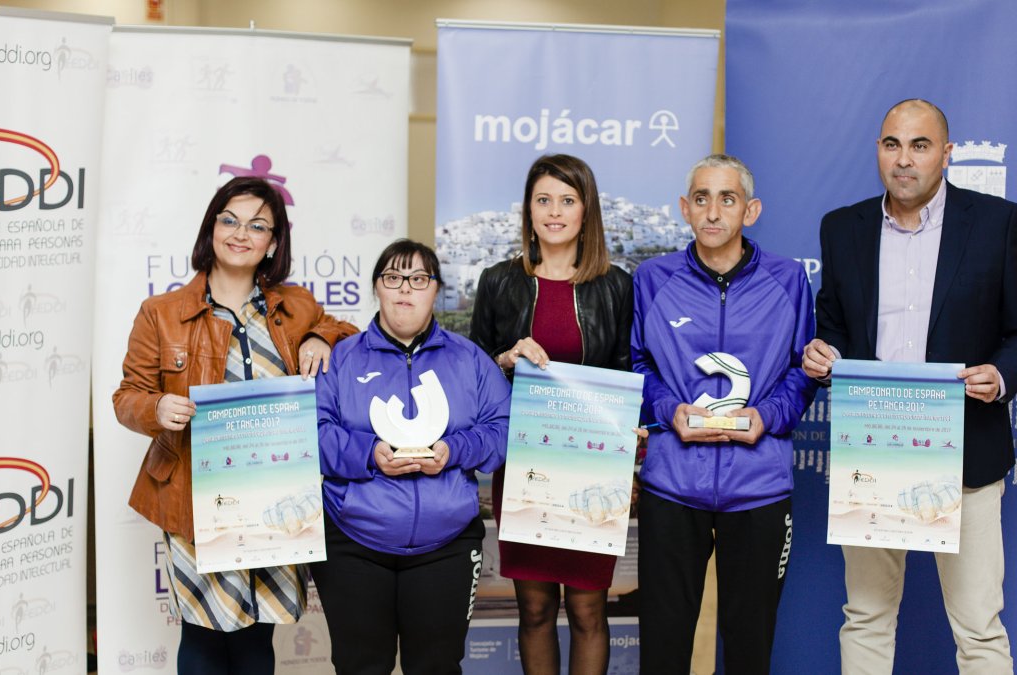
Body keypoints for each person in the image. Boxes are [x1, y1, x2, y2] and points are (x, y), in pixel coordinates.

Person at [802, 99, 1017, 675]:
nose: (904, 159)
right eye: (892, 144)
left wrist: (1001, 374)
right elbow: (836, 325)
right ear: (878, 152)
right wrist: (826, 352)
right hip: (873, 449)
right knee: (865, 615)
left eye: (919, 145)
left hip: (966, 448)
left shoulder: (996, 222)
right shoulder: (843, 228)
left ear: (946, 153)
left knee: (979, 628)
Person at [112, 176, 358, 674]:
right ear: (212, 228)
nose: (241, 233)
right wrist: (157, 408)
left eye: (258, 225)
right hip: (193, 497)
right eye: (230, 220)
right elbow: (126, 396)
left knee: (256, 637)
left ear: (272, 243)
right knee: (202, 633)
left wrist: (320, 338)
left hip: (275, 494)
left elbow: (347, 331)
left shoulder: (295, 306)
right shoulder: (161, 314)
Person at [631, 154, 817, 674]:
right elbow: (637, 363)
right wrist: (669, 411)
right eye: (702, 198)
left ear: (750, 210)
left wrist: (768, 417)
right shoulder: (651, 278)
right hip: (673, 486)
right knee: (664, 649)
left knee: (749, 650)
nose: (713, 211)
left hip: (758, 487)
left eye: (727, 199)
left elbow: (804, 369)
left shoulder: (788, 279)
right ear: (684, 209)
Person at [311, 239, 510, 674]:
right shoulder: (339, 358)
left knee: (436, 667)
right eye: (393, 278)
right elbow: (314, 433)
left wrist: (456, 450)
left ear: (435, 290)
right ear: (377, 288)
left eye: (419, 279)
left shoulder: (470, 359)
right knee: (361, 666)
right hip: (353, 544)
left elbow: (504, 430)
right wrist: (369, 454)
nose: (405, 289)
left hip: (447, 547)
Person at [469, 154, 633, 675]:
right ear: (528, 210)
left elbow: (629, 376)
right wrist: (505, 358)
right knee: (535, 609)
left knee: (588, 610)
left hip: (592, 469)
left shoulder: (616, 285)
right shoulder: (498, 281)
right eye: (544, 200)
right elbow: (471, 378)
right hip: (524, 467)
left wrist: (629, 460)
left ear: (587, 211)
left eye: (567, 200)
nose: (554, 212)